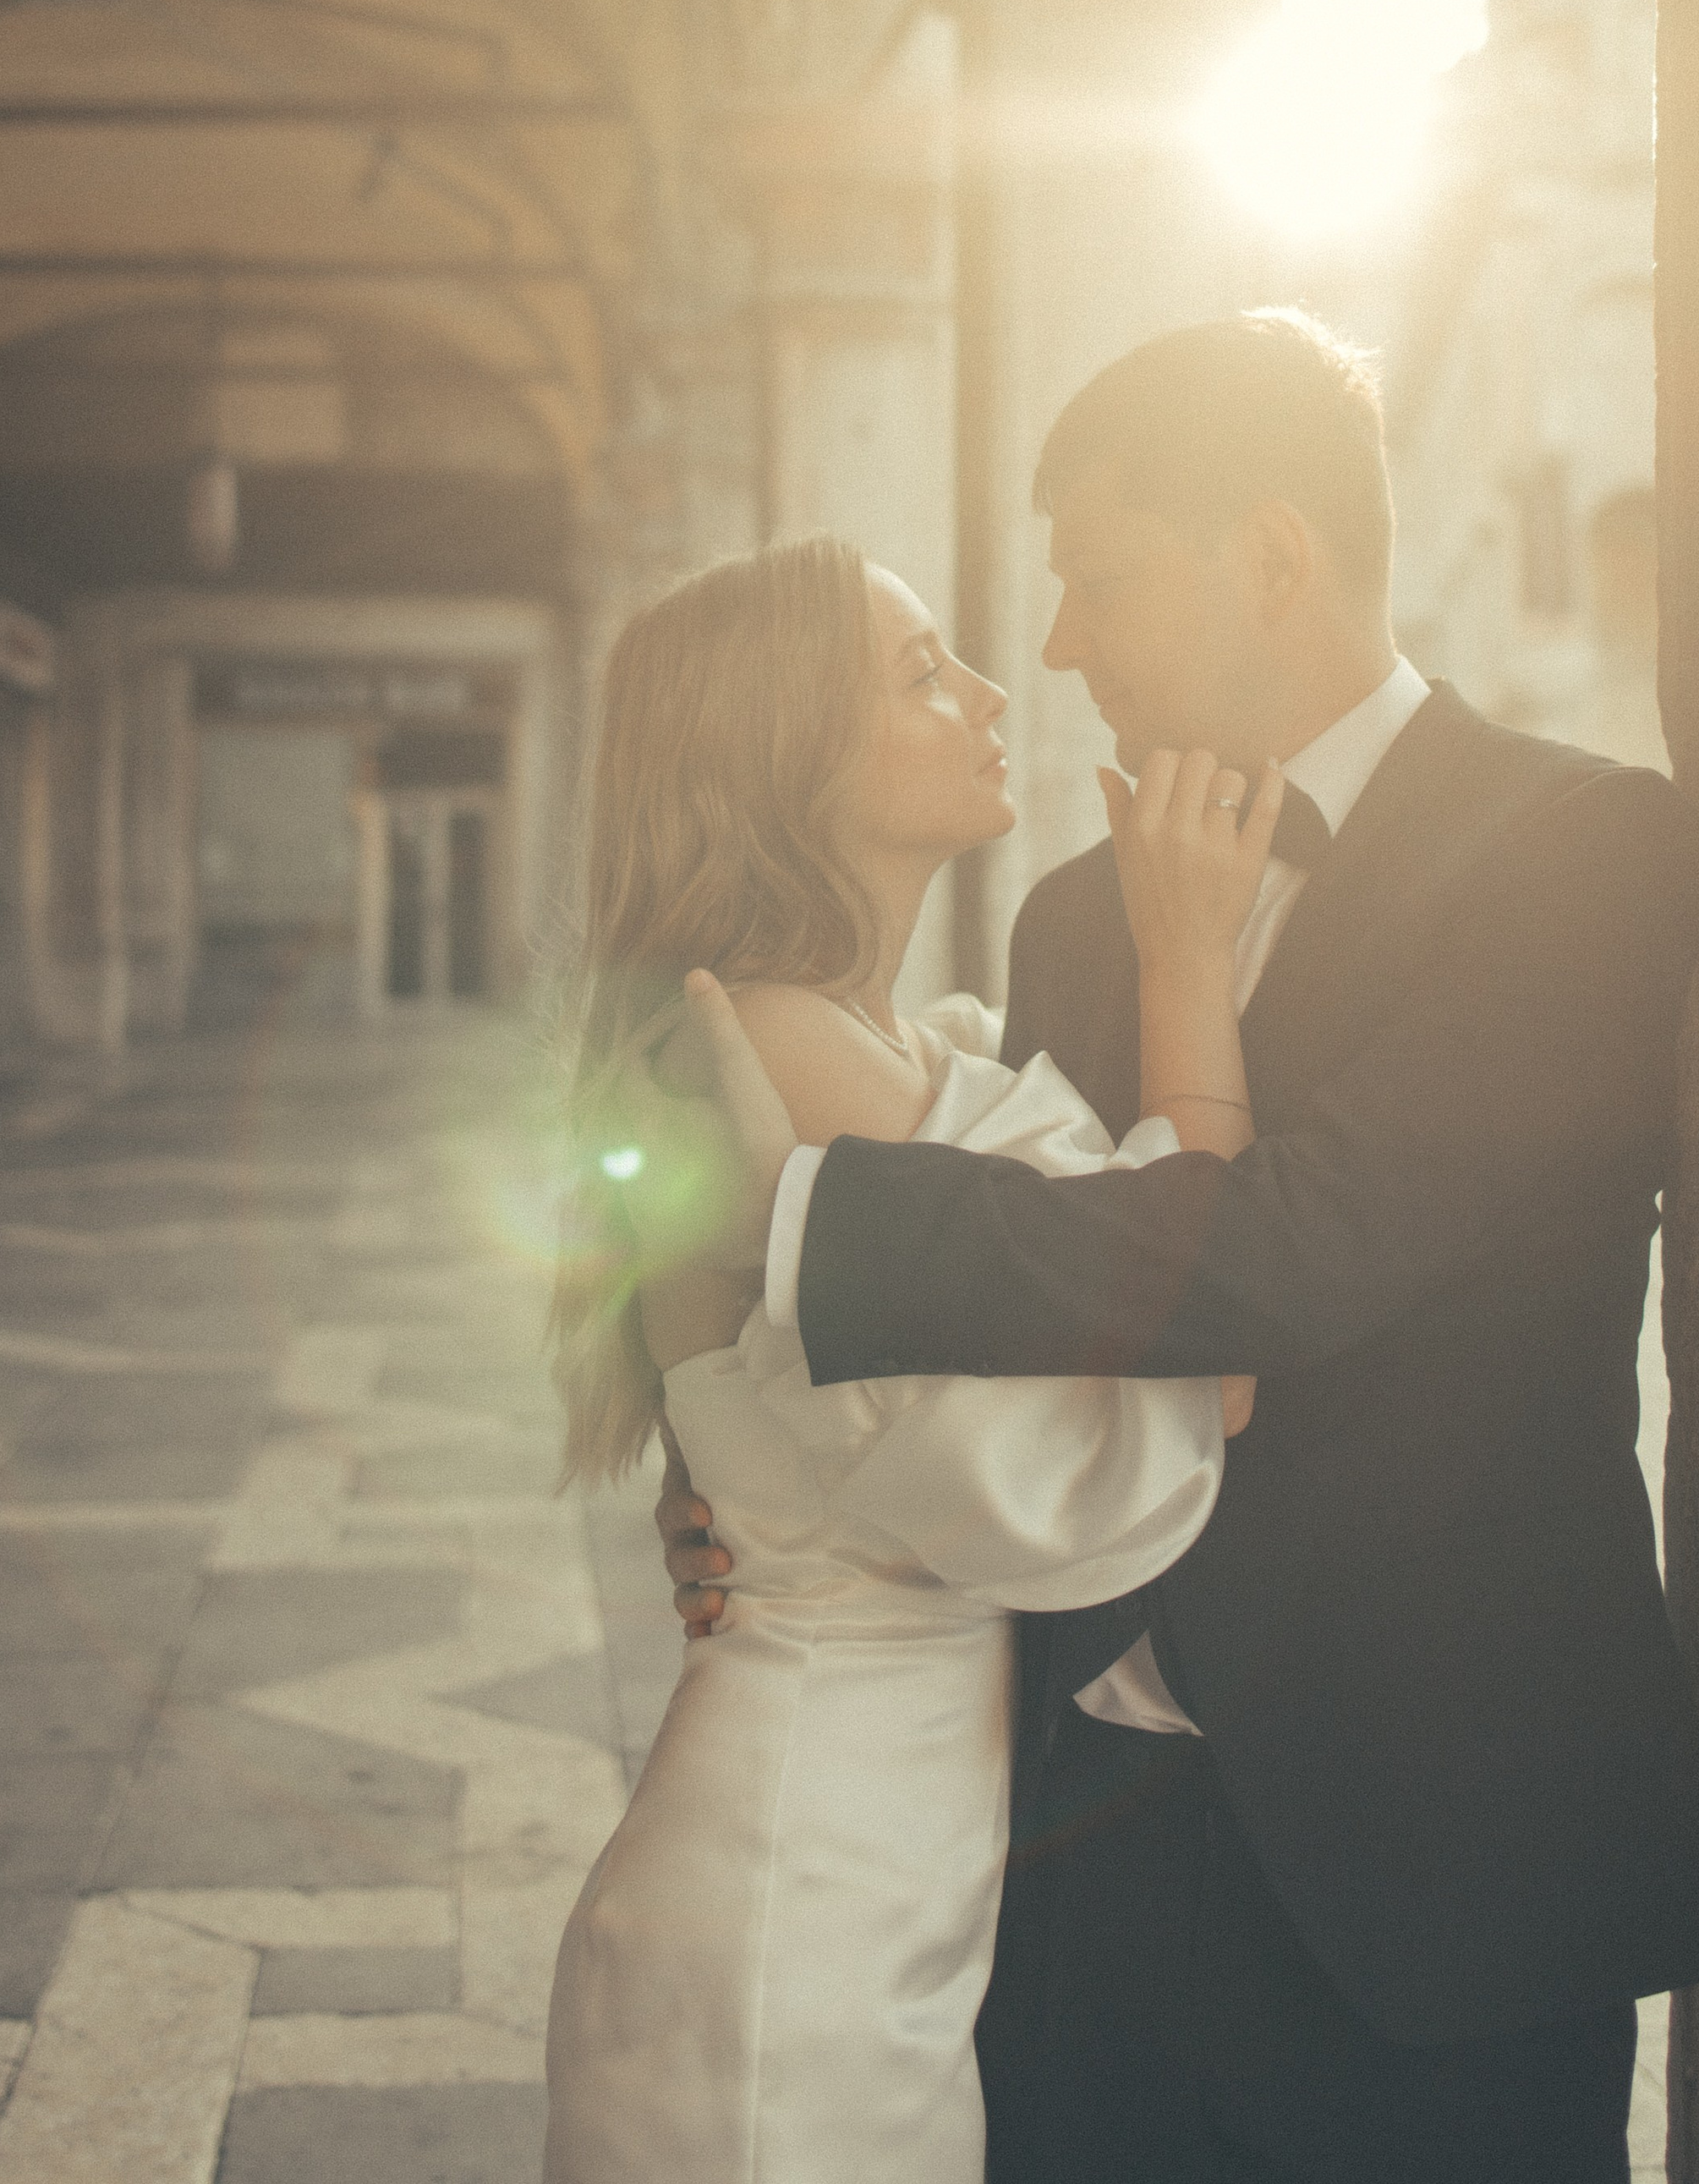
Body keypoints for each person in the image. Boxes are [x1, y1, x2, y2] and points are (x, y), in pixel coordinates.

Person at [658, 310, 1699, 2184]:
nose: (1061, 641)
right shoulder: (1080, 913)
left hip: (1434, 1860)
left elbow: (1288, 1252)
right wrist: (764, 1476)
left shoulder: (1581, 851)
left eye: (1095, 577)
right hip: (1074, 1858)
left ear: (1268, 556)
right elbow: (1051, 1340)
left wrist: (809, 1226)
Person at [540, 534, 1281, 2184]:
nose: (990, 692)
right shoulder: (792, 1050)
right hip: (801, 1893)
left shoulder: (868, 1040)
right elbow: (1200, 1366)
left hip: (852, 1859)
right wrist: (1184, 962)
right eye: (922, 669)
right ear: (783, 743)